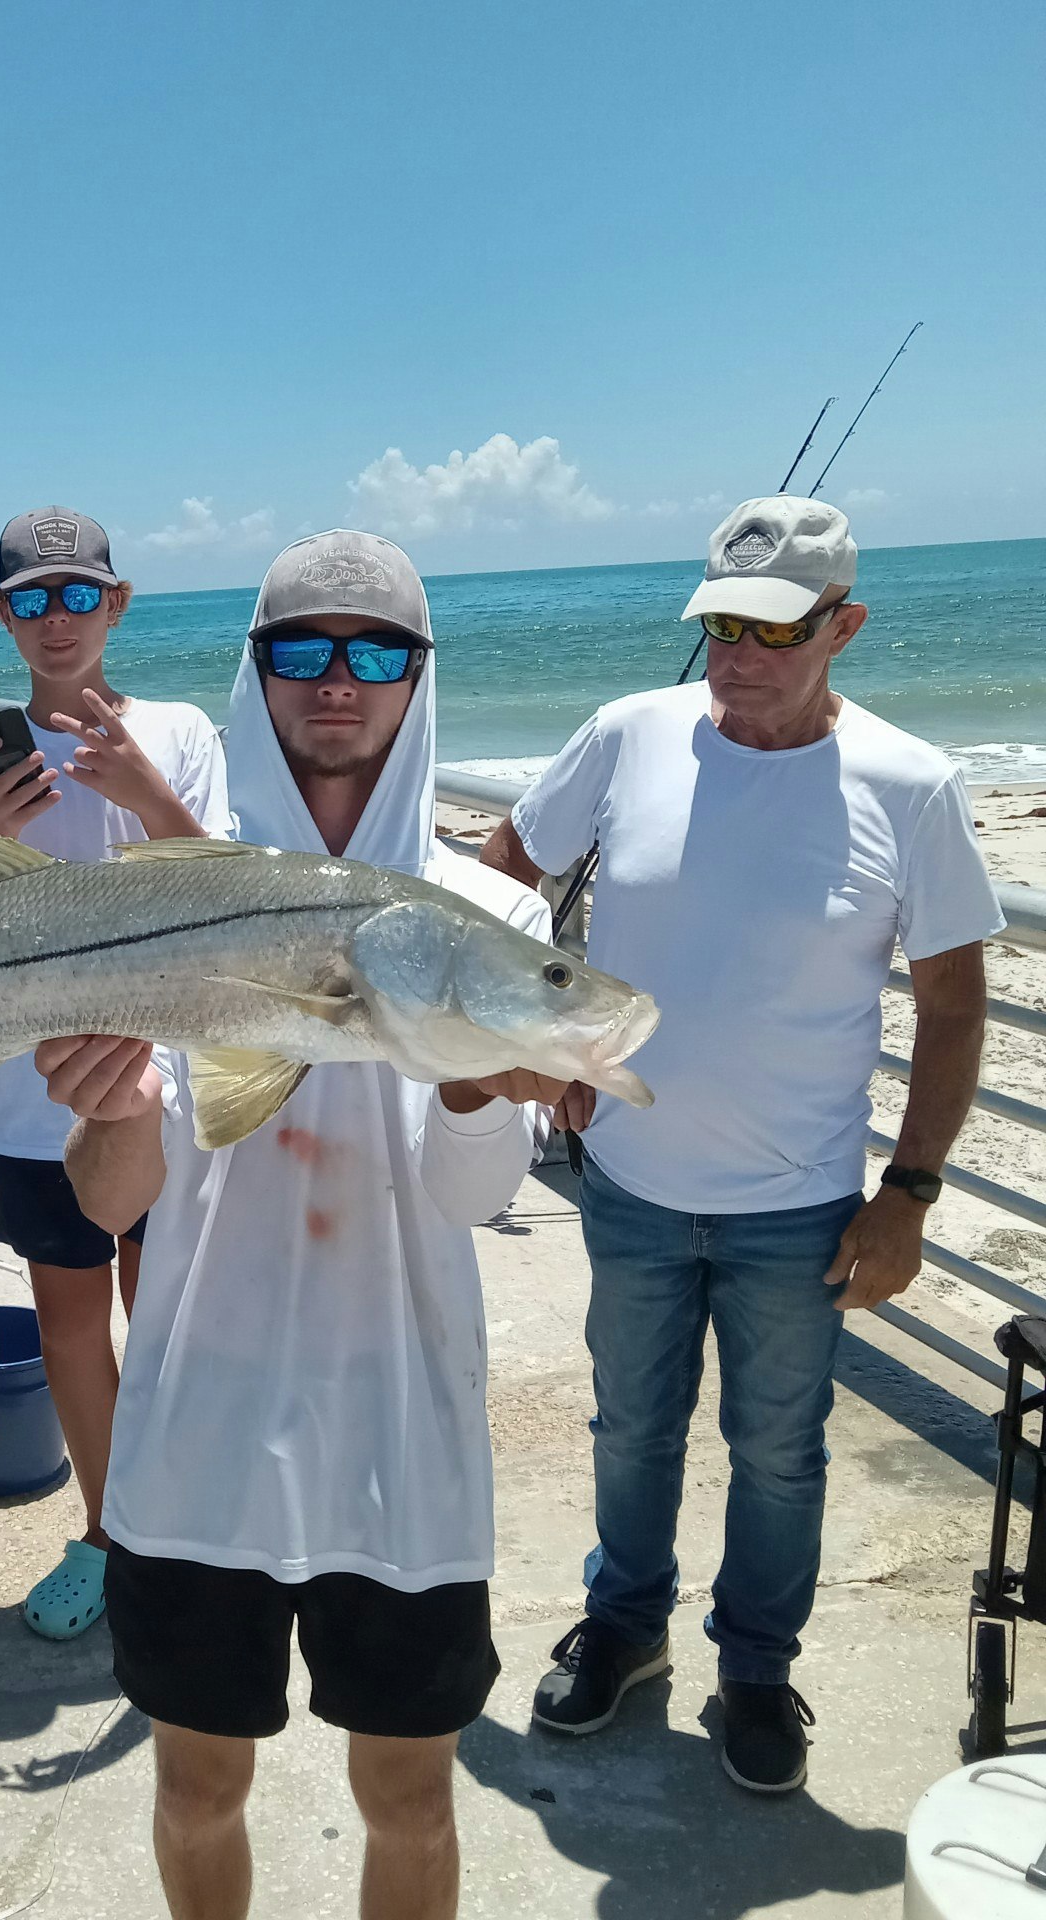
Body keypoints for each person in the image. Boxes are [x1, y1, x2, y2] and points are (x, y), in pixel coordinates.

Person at [35, 530, 560, 1920]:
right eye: (303, 649)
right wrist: (119, 1111)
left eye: (376, 649)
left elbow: (476, 1201)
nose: (340, 680)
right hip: (197, 1425)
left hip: (403, 1433)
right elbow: (106, 1204)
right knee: (197, 1787)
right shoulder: (161, 901)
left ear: (419, 678)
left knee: (411, 1801)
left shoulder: (491, 913)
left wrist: (464, 1085)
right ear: (254, 672)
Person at [481, 497, 1003, 1794]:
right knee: (630, 1428)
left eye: (774, 630)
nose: (738, 655)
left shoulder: (911, 783)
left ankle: (757, 1670)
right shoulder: (625, 736)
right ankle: (624, 1626)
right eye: (720, 622)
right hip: (634, 1187)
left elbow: (953, 1003)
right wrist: (548, 1043)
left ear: (845, 627)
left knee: (781, 1451)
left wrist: (913, 1192)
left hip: (802, 1209)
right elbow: (501, 876)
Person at [0, 506, 230, 1642]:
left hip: (164, 1087)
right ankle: (111, 1535)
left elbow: (226, 890)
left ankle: (185, 1530)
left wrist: (148, 793)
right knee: (70, 1322)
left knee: (165, 1317)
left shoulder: (181, 731)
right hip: (28, 1099)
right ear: (2, 616)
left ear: (114, 604)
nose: (54, 620)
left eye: (75, 596)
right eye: (29, 599)